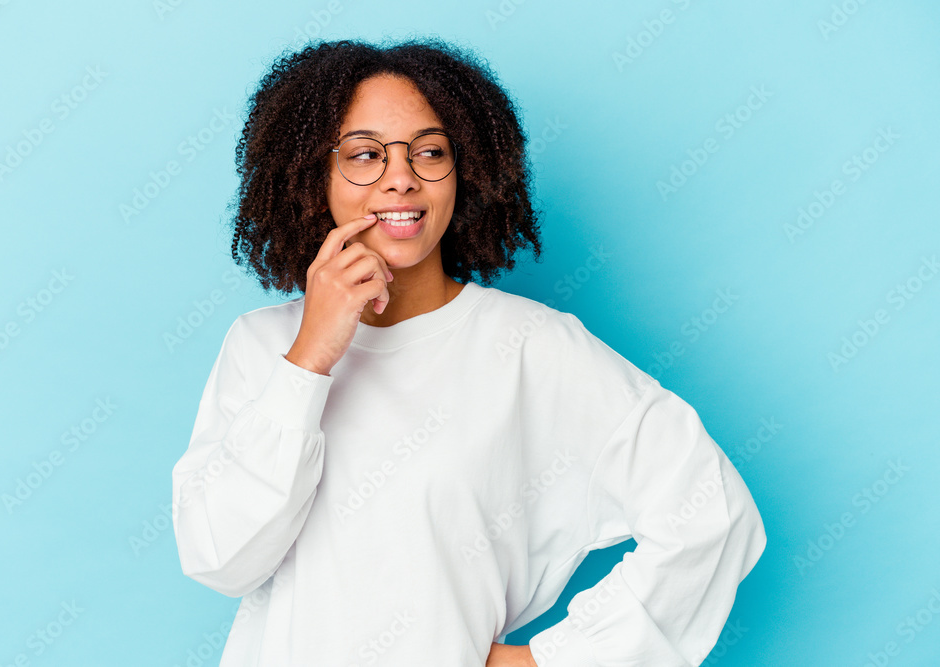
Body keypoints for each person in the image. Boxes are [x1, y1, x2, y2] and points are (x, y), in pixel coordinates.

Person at [171, 37, 766, 667]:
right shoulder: (262, 346)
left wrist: (553, 660)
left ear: (467, 171)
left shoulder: (531, 348)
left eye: (430, 152)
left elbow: (710, 511)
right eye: (365, 155)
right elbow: (220, 558)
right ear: (311, 176)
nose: (401, 178)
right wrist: (310, 357)